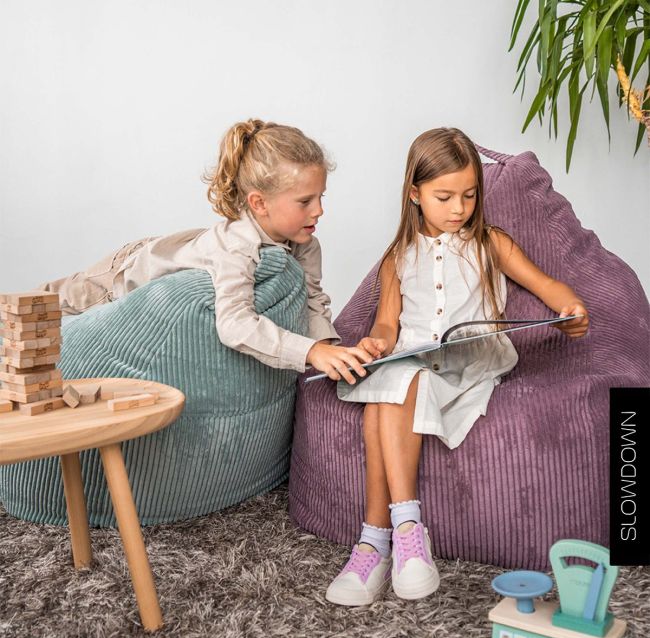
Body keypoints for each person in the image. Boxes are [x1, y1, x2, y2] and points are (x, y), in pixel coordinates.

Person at [325, 127, 589, 606]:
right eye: (444, 197)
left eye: (469, 195)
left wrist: (570, 308)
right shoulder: (397, 258)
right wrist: (376, 343)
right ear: (415, 194)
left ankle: (382, 537)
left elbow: (548, 286)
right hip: (413, 361)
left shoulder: (491, 243)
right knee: (388, 391)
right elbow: (386, 324)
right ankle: (392, 537)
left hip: (469, 361)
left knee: (396, 389)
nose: (459, 208)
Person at [38, 119, 374, 378]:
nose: (319, 210)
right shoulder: (237, 247)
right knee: (40, 305)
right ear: (259, 203)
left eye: (321, 197)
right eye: (305, 201)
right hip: (124, 273)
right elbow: (235, 325)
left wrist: (330, 350)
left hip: (179, 246)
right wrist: (310, 352)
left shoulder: (306, 244)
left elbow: (313, 300)